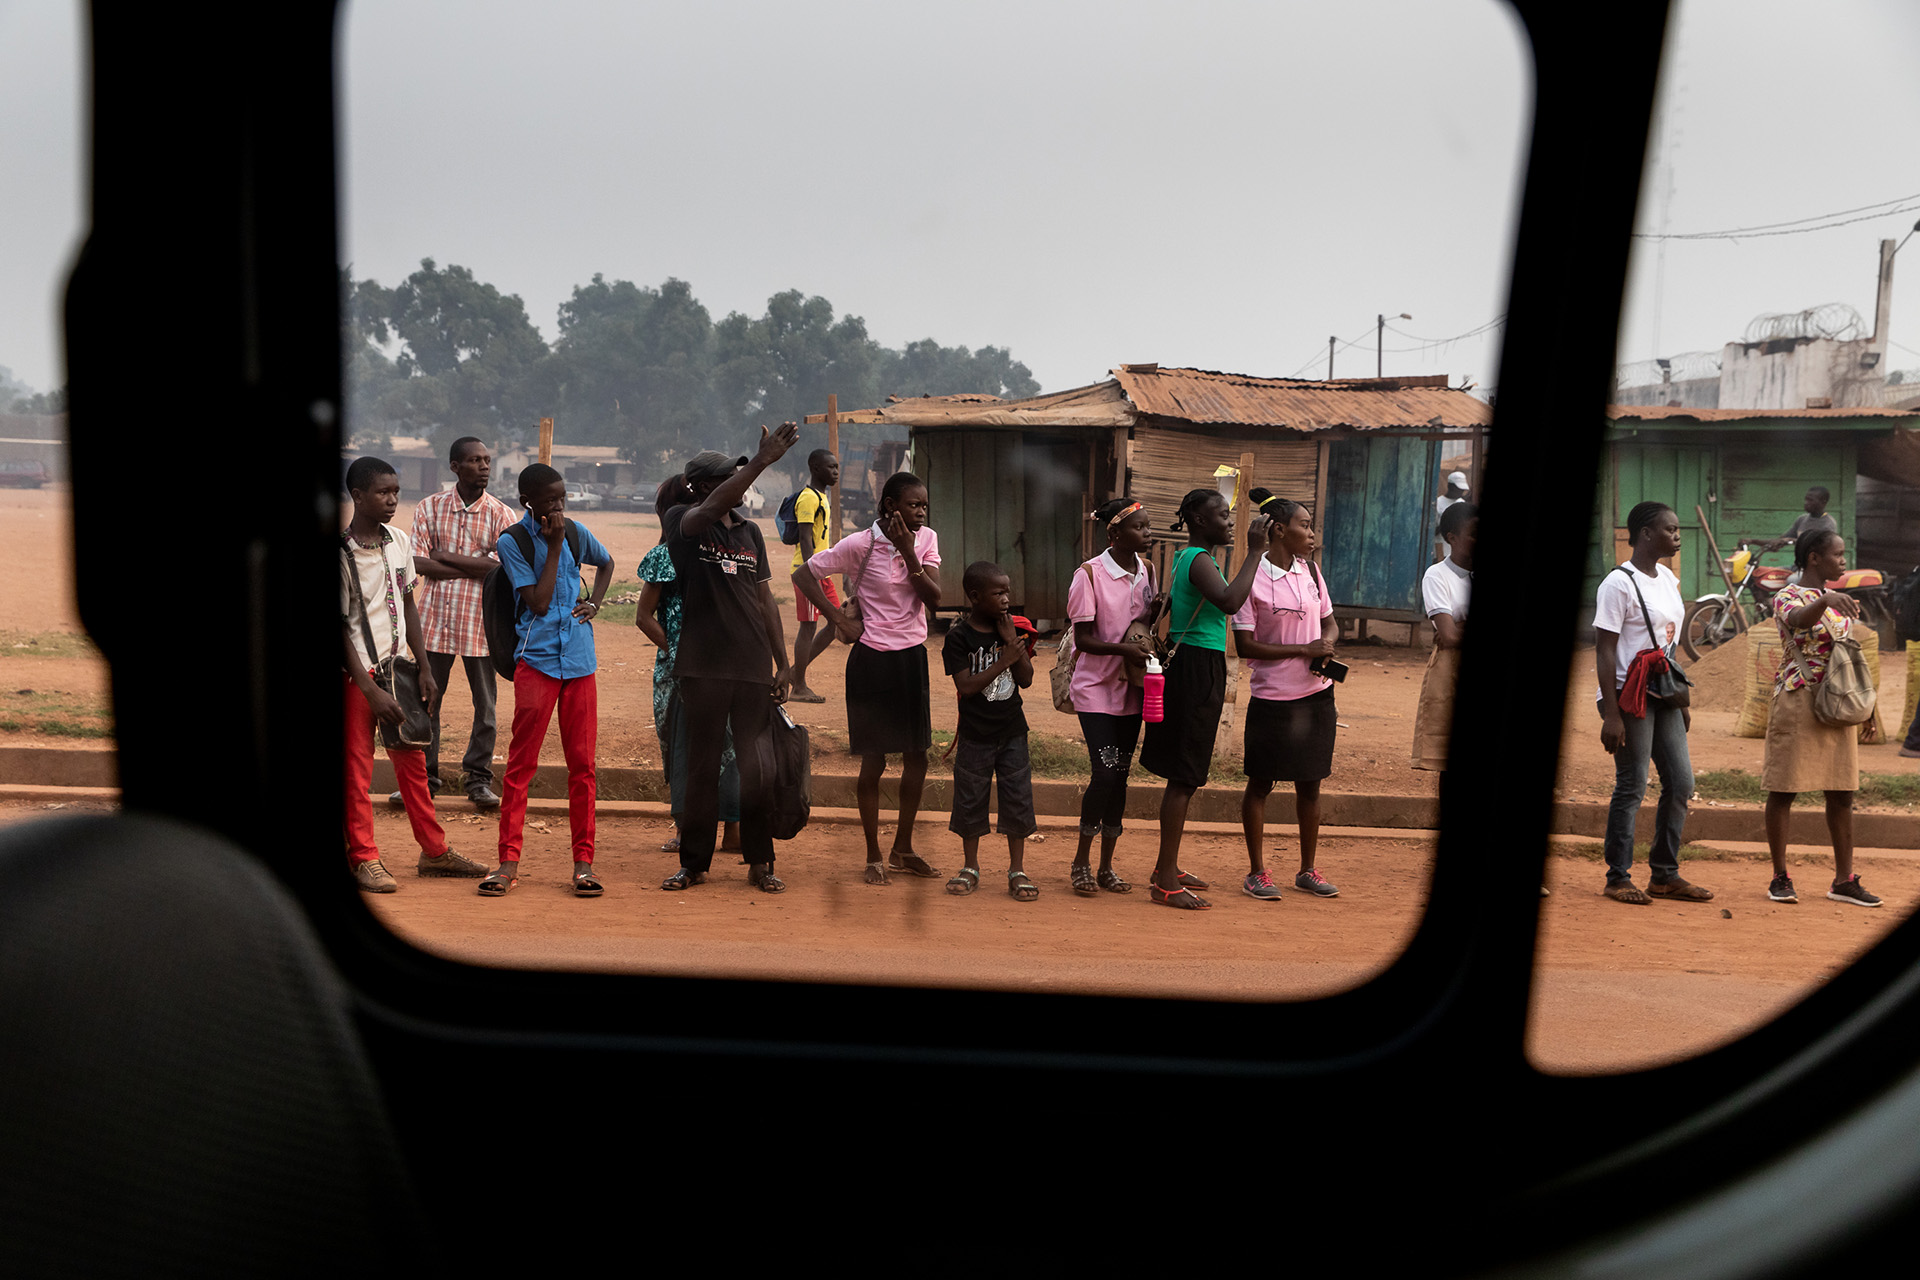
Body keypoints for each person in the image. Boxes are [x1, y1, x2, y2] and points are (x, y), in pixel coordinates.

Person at [659, 427, 799, 893]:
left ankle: (761, 863)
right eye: (728, 479)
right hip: (702, 667)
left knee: (757, 769)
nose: (741, 485)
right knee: (701, 770)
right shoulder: (684, 520)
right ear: (702, 486)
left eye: (738, 477)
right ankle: (694, 863)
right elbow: (708, 510)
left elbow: (765, 603)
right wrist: (761, 461)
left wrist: (784, 664)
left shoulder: (751, 532)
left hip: (751, 666)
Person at [340, 456, 487, 892]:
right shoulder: (342, 556)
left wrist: (424, 667)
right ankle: (364, 856)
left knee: (413, 762)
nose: (391, 500)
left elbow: (407, 604)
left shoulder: (400, 542)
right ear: (358, 496)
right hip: (358, 679)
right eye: (382, 493)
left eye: (396, 492)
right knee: (356, 770)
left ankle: (434, 851)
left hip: (399, 672)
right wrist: (368, 689)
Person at [793, 471, 944, 885]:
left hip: (911, 657)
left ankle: (903, 848)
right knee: (874, 760)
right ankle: (874, 854)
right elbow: (803, 574)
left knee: (917, 755)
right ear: (890, 505)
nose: (921, 512)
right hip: (872, 661)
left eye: (924, 505)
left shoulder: (925, 539)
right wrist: (838, 617)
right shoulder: (861, 544)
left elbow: (934, 598)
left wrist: (908, 551)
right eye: (913, 504)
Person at [481, 463, 615, 899]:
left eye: (562, 498)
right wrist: (554, 547)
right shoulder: (513, 541)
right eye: (550, 500)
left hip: (579, 661)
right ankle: (507, 863)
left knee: (583, 766)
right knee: (521, 765)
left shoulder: (575, 531)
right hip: (535, 660)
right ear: (528, 502)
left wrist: (594, 602)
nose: (558, 506)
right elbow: (537, 604)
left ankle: (583, 864)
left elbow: (607, 561)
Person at [1138, 487, 1268, 909]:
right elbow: (1230, 601)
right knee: (1184, 776)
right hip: (1195, 667)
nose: (1229, 522)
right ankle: (1164, 882)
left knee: (1186, 774)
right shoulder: (1196, 559)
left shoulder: (1193, 559)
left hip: (1197, 664)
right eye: (1222, 515)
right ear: (1197, 520)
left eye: (1229, 515)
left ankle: (1166, 868)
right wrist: (1255, 552)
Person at [1594, 500, 1712, 905]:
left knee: (1681, 783)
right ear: (1646, 533)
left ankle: (1664, 875)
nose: (1677, 536)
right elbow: (1605, 650)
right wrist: (1611, 713)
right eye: (1671, 529)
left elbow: (1669, 644)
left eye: (1677, 530)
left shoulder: (1667, 579)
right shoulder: (1617, 584)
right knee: (1632, 784)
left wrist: (1681, 701)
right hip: (1629, 695)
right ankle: (1618, 877)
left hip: (1664, 693)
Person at [397, 435, 518, 812]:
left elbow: (503, 567)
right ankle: (425, 779)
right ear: (455, 466)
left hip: (482, 626)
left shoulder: (501, 513)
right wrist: (476, 564)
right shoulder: (430, 508)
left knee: (485, 707)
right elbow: (417, 561)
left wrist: (445, 556)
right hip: (434, 624)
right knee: (426, 702)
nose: (484, 466)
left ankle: (479, 780)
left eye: (487, 460)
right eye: (475, 460)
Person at [1762, 528, 1880, 907]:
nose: (1843, 562)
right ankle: (1780, 877)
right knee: (1783, 790)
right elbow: (1797, 621)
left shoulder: (1839, 599)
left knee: (1842, 793)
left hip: (1836, 705)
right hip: (1797, 699)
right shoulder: (1787, 595)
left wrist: (1868, 707)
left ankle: (1843, 880)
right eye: (1838, 555)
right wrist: (1827, 599)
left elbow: (1848, 655)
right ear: (1814, 557)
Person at [1232, 491, 1340, 901]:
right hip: (1273, 699)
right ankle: (1257, 872)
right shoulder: (1251, 577)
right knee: (1261, 783)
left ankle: (1307, 870)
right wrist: (1303, 650)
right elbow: (1245, 646)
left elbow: (1330, 624)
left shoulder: (1310, 572)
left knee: (1310, 785)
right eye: (1305, 525)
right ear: (1279, 530)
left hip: (1317, 696)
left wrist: (1325, 644)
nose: (1312, 534)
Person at [636, 475, 740, 856]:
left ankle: (712, 830)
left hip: (707, 669)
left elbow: (644, 617)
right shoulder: (670, 555)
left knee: (698, 749)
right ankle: (707, 829)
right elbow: (644, 617)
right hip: (687, 671)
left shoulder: (713, 551)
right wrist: (679, 651)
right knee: (708, 748)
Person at [1065, 498, 1164, 896]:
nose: (1147, 533)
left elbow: (1140, 626)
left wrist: (1155, 612)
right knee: (1105, 772)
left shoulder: (1148, 571)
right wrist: (1126, 651)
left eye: (1148, 526)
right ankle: (1080, 862)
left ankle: (1106, 867)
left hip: (1132, 688)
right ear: (1114, 534)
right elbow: (1084, 639)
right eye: (1139, 527)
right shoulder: (1088, 575)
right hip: (1094, 689)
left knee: (1120, 777)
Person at [941, 562, 1039, 901]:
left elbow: (1025, 680)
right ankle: (970, 866)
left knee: (1017, 799)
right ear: (974, 596)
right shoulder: (958, 637)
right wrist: (1003, 660)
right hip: (974, 735)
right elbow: (966, 686)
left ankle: (1017, 869)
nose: (1005, 600)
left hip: (1012, 732)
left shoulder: (1011, 630)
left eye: (1007, 592)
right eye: (997, 593)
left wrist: (1014, 644)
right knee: (970, 801)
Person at [1413, 501, 1476, 773]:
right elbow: (1448, 637)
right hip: (1451, 669)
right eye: (1473, 533)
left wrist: (1456, 625)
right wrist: (1452, 629)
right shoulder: (1437, 575)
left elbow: (1451, 631)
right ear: (1452, 538)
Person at [787, 448, 842, 703]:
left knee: (835, 622)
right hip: (807, 571)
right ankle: (798, 686)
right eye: (831, 467)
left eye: (837, 467)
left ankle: (793, 673)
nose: (836, 472)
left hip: (821, 572)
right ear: (815, 468)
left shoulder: (822, 496)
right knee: (808, 627)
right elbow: (805, 538)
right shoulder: (808, 498)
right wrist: (811, 574)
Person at [1434, 470, 1469, 560]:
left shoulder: (1462, 503)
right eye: (1458, 489)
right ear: (1450, 486)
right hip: (1439, 551)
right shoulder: (1438, 503)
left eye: (1462, 490)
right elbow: (1432, 531)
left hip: (1456, 553)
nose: (1460, 492)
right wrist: (1445, 524)